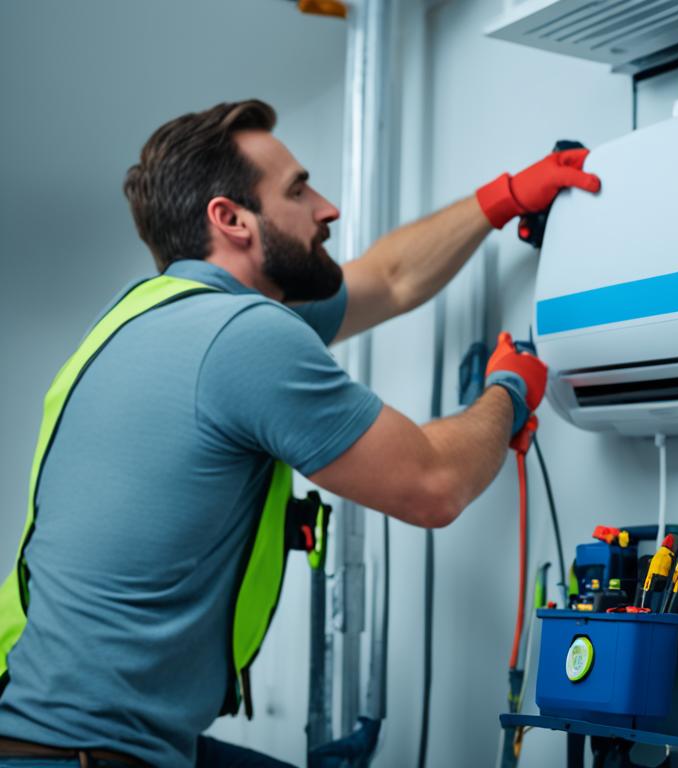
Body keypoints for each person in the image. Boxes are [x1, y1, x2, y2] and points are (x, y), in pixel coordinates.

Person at [0, 99, 600, 767]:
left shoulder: (144, 319)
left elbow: (389, 279)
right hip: (86, 755)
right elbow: (436, 485)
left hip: (40, 732)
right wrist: (509, 390)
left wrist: (506, 197)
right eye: (297, 189)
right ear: (230, 220)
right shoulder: (243, 340)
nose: (327, 207)